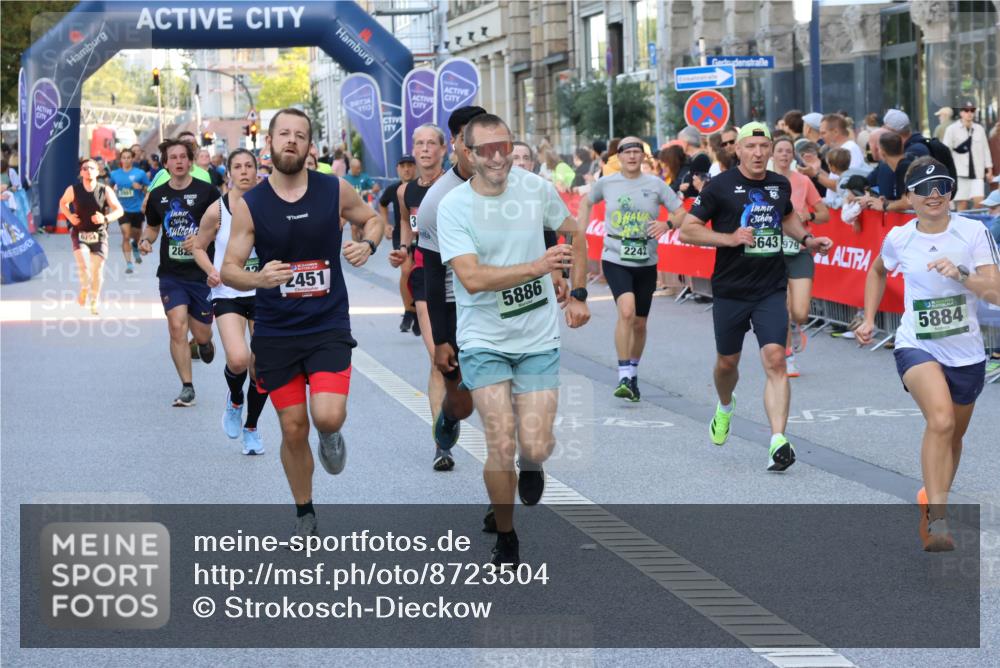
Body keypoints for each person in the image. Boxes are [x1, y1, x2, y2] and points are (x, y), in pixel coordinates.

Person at [221, 108, 385, 538]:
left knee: (327, 417)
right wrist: (260, 278)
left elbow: (373, 218)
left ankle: (330, 436)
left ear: (310, 146)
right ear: (269, 144)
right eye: (284, 134)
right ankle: (304, 511)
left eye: (300, 135)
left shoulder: (334, 189)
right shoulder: (251, 204)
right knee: (293, 427)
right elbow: (230, 269)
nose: (291, 141)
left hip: (327, 323)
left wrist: (367, 243)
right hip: (276, 330)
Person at [437, 113, 590, 566]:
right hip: (483, 338)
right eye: (486, 149)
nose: (499, 156)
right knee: (500, 440)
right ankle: (506, 534)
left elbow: (575, 234)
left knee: (536, 444)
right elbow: (471, 278)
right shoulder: (453, 206)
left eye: (504, 145)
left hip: (538, 336)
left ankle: (534, 462)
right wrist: (537, 268)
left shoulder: (534, 187)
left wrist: (578, 293)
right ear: (468, 154)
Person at [856, 157, 1000, 551]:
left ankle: (931, 497)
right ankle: (938, 521)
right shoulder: (900, 239)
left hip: (966, 352)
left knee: (953, 434)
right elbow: (877, 271)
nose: (934, 195)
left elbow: (996, 293)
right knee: (940, 421)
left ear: (951, 192)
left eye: (941, 187)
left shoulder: (972, 232)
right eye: (924, 188)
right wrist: (868, 318)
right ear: (910, 196)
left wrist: (962, 275)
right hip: (916, 345)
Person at [679, 122, 833, 471]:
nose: (759, 153)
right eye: (752, 146)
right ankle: (724, 404)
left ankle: (778, 440)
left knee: (776, 359)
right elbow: (688, 229)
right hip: (732, 290)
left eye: (764, 146)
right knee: (726, 364)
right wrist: (729, 238)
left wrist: (808, 240)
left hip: (770, 288)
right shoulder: (720, 186)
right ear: (739, 150)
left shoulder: (779, 185)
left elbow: (789, 219)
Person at [576, 136, 685, 400]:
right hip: (615, 256)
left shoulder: (655, 184)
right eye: (628, 153)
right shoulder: (607, 182)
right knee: (626, 311)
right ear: (619, 157)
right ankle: (623, 374)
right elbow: (586, 201)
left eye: (637, 152)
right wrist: (578, 230)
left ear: (643, 157)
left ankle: (633, 375)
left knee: (639, 322)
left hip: (646, 259)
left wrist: (667, 224)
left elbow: (681, 211)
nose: (633, 157)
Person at [414, 105, 487, 474]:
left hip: (500, 303)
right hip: (456, 300)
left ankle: (507, 472)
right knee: (461, 394)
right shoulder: (437, 200)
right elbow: (430, 275)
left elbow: (544, 226)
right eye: (469, 140)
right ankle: (448, 418)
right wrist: (441, 339)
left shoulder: (515, 184)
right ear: (456, 144)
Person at [188, 149, 269, 455]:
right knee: (237, 359)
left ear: (258, 170)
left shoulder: (268, 205)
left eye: (250, 165)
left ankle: (252, 427)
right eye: (238, 166)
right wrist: (210, 270)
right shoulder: (217, 211)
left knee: (261, 365)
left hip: (263, 293)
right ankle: (235, 399)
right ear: (229, 173)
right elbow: (198, 246)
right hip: (228, 293)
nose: (245, 171)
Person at [139, 138, 221, 406]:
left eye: (183, 157)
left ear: (190, 161)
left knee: (201, 334)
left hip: (201, 274)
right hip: (171, 274)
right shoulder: (159, 195)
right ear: (165, 164)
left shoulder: (207, 192)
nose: (178, 162)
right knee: (176, 327)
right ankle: (187, 386)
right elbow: (152, 227)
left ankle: (204, 344)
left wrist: (200, 239)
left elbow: (222, 226)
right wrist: (145, 241)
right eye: (172, 158)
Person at [393, 125, 452, 469]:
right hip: (424, 278)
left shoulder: (458, 186)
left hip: (462, 278)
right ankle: (441, 443)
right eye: (419, 143)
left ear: (444, 150)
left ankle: (456, 410)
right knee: (437, 359)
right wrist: (403, 249)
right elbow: (406, 223)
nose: (425, 149)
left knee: (464, 361)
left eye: (432, 143)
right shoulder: (405, 191)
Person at [771, 136, 830, 377]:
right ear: (772, 155)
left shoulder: (803, 181)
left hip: (800, 250)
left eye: (788, 151)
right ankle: (788, 356)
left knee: (800, 312)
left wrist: (810, 216)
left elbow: (824, 214)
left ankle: (796, 328)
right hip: (773, 253)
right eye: (780, 151)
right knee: (781, 307)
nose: (784, 155)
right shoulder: (764, 182)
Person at [59, 159, 125, 314]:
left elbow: (119, 210)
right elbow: (63, 203)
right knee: (84, 265)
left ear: (98, 172)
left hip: (99, 234)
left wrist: (105, 218)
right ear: (81, 172)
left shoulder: (105, 190)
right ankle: (84, 287)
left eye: (91, 168)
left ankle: (94, 300)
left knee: (97, 270)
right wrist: (69, 217)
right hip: (80, 232)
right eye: (84, 168)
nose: (88, 170)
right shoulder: (73, 189)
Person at [379, 155, 418, 332]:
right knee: (406, 270)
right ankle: (409, 310)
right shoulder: (393, 189)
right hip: (401, 235)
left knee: (421, 274)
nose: (407, 169)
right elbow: (382, 204)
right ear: (398, 169)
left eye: (410, 165)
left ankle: (419, 312)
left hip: (423, 235)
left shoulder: (422, 187)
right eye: (403, 166)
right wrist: (385, 223)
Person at [943, 100, 993, 210]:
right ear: (961, 113)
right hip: (960, 173)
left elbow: (985, 149)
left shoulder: (979, 129)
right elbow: (945, 152)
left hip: (977, 172)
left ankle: (974, 224)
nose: (969, 113)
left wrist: (989, 170)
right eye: (966, 110)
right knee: (962, 205)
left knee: (979, 203)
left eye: (972, 110)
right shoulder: (951, 129)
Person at [109, 148, 150, 273]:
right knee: (126, 235)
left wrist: (141, 187)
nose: (126, 160)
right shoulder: (115, 174)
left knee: (136, 235)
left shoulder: (140, 173)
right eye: (124, 157)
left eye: (128, 157)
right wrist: (112, 193)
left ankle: (135, 246)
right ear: (120, 160)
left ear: (132, 159)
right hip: (122, 209)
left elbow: (149, 188)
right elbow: (109, 187)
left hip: (137, 209)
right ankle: (129, 263)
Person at [862, 132, 916, 214]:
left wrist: (884, 206)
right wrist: (887, 202)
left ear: (881, 152)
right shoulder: (908, 162)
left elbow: (907, 202)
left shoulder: (903, 167)